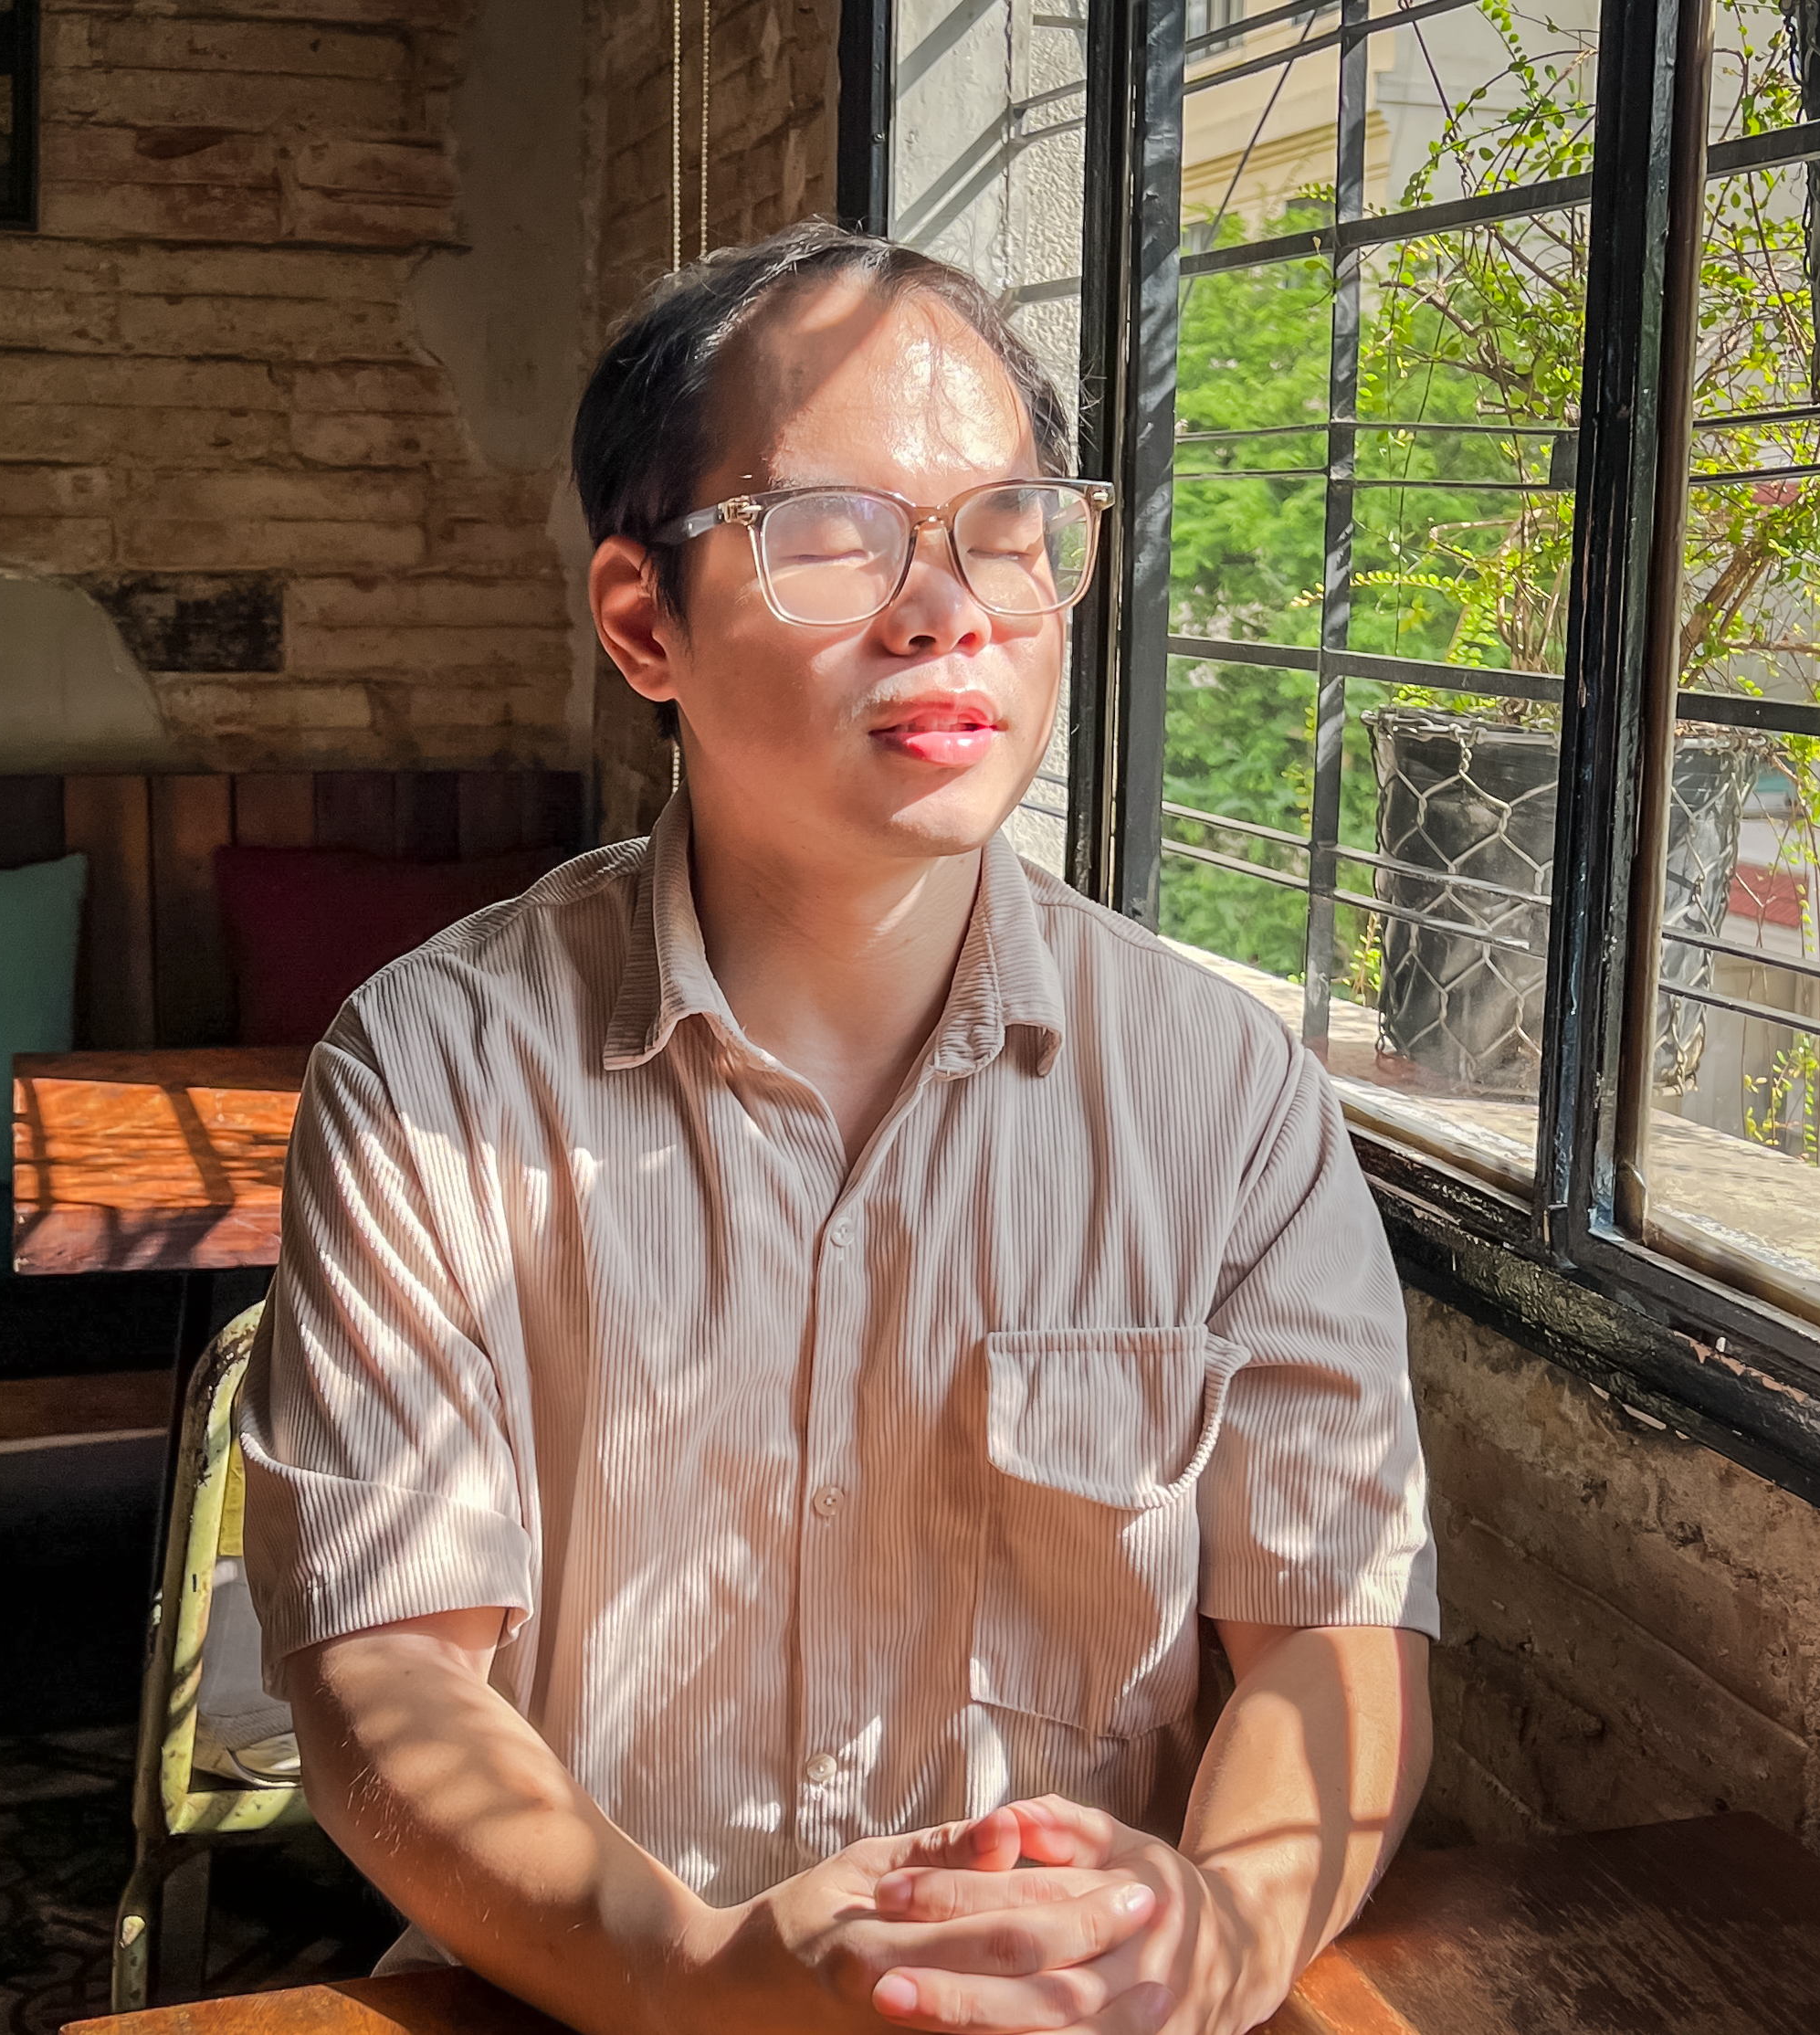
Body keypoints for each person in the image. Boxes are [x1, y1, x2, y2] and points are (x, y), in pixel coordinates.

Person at [240, 220, 1437, 2035]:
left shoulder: (1226, 1096)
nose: (948, 609)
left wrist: (1224, 1929)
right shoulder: (433, 1080)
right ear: (644, 621)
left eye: (1007, 528)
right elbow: (385, 1673)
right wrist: (695, 1977)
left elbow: (1336, 1625)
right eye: (828, 532)